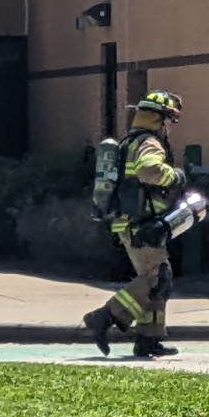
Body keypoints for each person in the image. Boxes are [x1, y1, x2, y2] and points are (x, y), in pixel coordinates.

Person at [82, 90, 188, 358]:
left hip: (133, 221)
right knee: (157, 277)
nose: (169, 127)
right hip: (141, 223)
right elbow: (149, 171)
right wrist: (174, 176)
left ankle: (148, 339)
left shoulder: (132, 140)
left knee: (157, 278)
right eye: (169, 120)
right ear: (158, 119)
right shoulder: (150, 142)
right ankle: (105, 316)